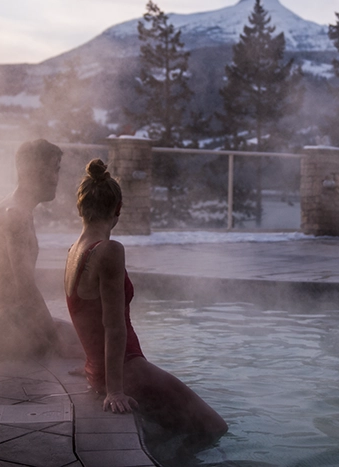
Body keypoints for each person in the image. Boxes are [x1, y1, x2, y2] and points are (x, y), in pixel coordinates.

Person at [64, 159, 228, 444]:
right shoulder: (108, 250)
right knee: (215, 428)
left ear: (81, 207)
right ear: (117, 209)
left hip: (103, 370)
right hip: (127, 371)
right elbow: (113, 327)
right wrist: (114, 390)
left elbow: (83, 315)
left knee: (175, 429)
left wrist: (92, 365)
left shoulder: (73, 252)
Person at [0, 139, 79, 361]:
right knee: (90, 350)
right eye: (54, 169)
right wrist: (57, 345)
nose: (56, 178)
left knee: (77, 333)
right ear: (32, 171)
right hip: (6, 332)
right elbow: (25, 289)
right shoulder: (17, 217)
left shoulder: (3, 205)